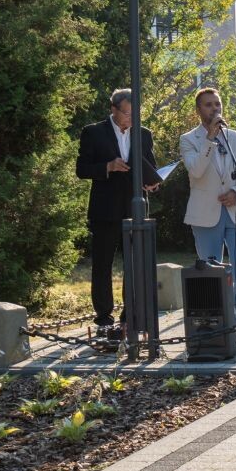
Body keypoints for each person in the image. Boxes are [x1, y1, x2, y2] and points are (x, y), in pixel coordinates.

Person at [76, 88, 158, 333]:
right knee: (102, 265)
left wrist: (152, 183)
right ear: (113, 109)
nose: (131, 118)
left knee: (135, 265)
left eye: (135, 113)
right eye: (126, 113)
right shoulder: (93, 132)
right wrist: (108, 166)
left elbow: (150, 167)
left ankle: (129, 317)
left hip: (135, 208)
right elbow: (82, 169)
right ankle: (103, 319)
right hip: (105, 210)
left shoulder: (144, 134)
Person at [180, 87, 236, 327]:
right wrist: (210, 140)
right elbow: (196, 171)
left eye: (217, 104)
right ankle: (214, 324)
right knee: (210, 274)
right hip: (205, 215)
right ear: (198, 110)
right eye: (208, 105)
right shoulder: (189, 139)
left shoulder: (235, 137)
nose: (215, 108)